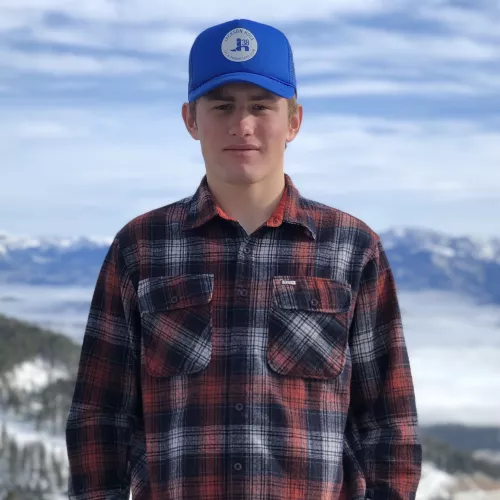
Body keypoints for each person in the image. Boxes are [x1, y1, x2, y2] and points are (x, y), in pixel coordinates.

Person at [65, 18, 422, 500]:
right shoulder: (141, 248)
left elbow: (389, 423)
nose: (242, 125)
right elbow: (99, 417)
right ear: (191, 120)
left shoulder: (351, 248)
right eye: (222, 106)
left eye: (261, 105)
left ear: (294, 121)